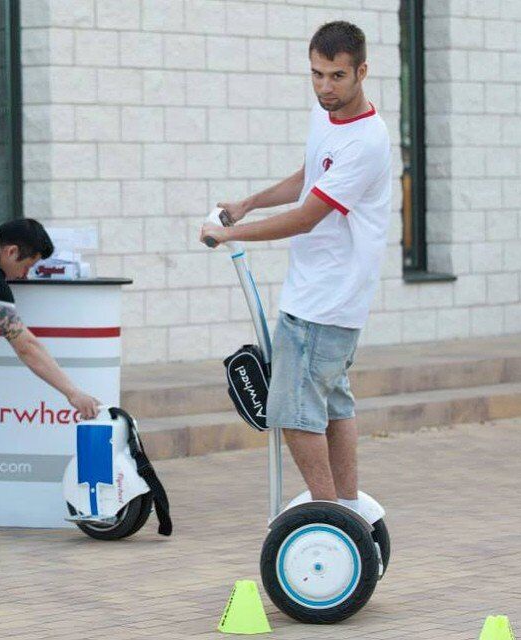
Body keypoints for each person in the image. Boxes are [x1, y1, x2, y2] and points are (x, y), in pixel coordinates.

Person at [201, 21, 392, 514]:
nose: (325, 87)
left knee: (293, 411)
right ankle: (346, 507)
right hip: (318, 293)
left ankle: (328, 520)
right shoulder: (325, 116)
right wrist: (247, 204)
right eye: (316, 74)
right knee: (333, 404)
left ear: (362, 72)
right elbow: (310, 176)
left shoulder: (366, 142)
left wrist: (231, 235)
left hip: (326, 298)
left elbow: (308, 217)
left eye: (337, 76)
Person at [0, 218, 100, 419]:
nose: (24, 275)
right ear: (11, 252)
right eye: (27, 266)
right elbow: (26, 347)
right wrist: (73, 393)